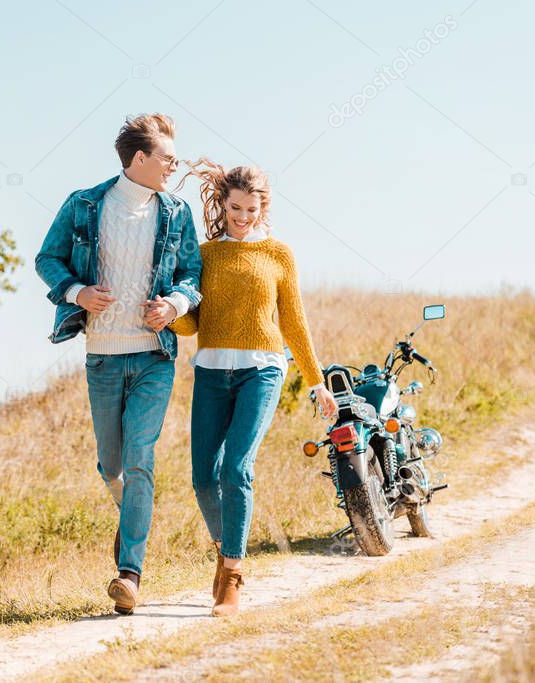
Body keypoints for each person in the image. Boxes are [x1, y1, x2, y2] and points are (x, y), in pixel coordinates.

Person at [34, 114, 202, 615]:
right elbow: (48, 258)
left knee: (139, 460)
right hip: (102, 358)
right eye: (168, 158)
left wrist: (173, 305)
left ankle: (129, 574)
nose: (175, 165)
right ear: (139, 159)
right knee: (112, 465)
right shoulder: (84, 204)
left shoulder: (176, 212)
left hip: (154, 356)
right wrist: (76, 291)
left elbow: (192, 274)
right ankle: (133, 514)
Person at [168, 159, 338, 616]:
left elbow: (293, 321)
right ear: (222, 204)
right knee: (204, 477)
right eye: (236, 208)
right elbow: (191, 324)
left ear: (263, 208)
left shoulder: (278, 255)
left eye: (251, 210)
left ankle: (232, 576)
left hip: (262, 370)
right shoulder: (205, 255)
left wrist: (317, 381)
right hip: (211, 371)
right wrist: (167, 310)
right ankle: (229, 547)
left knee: (237, 468)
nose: (243, 218)